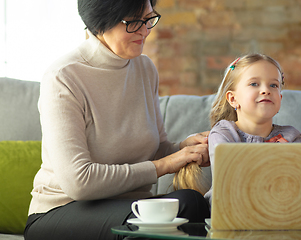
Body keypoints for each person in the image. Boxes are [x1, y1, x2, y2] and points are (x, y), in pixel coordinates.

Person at [24, 1, 210, 239]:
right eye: (134, 22)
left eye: (148, 19)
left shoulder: (145, 69)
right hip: (62, 211)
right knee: (185, 208)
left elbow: (157, 150)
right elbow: (79, 182)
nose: (145, 31)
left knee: (194, 204)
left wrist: (184, 149)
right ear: (100, 22)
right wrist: (167, 163)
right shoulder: (63, 77)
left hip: (129, 207)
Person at [203, 53, 301, 205]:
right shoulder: (223, 134)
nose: (266, 90)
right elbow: (232, 182)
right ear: (233, 99)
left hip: (280, 208)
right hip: (232, 209)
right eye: (254, 84)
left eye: (273, 85)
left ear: (280, 99)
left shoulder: (292, 136)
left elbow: (297, 184)